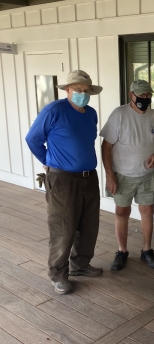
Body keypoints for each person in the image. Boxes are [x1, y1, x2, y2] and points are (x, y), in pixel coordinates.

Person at [25, 70, 103, 295]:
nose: (82, 94)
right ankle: (58, 275)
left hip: (89, 177)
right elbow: (33, 139)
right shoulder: (54, 110)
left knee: (89, 226)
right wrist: (47, 161)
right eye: (77, 90)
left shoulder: (91, 113)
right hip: (62, 179)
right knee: (63, 227)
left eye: (86, 91)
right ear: (67, 90)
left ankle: (81, 265)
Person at [100, 80, 154, 271]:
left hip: (147, 175)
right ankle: (122, 251)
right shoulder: (119, 114)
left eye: (148, 95)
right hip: (123, 176)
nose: (145, 99)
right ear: (131, 95)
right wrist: (109, 175)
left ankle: (147, 250)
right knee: (122, 212)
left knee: (148, 212)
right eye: (141, 95)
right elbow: (106, 146)